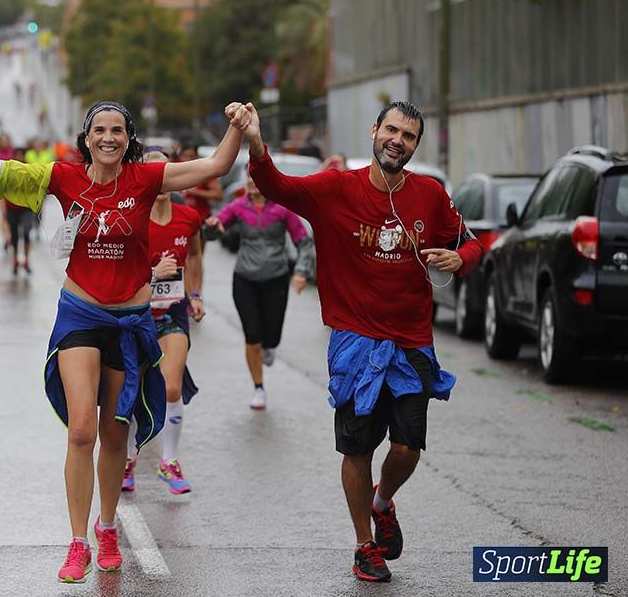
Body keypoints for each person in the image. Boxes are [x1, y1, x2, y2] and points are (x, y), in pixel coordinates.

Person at [0, 75, 252, 584]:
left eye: (118, 130)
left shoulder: (147, 178)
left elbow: (217, 166)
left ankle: (108, 528)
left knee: (116, 435)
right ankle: (77, 543)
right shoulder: (63, 178)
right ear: (87, 137)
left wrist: (237, 128)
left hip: (132, 320)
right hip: (81, 314)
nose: (109, 138)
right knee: (81, 431)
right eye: (100, 130)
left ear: (128, 138)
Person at [245, 100, 484, 582]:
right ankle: (363, 546)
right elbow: (275, 185)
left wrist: (462, 261)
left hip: (412, 340)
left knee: (407, 448)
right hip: (354, 340)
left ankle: (382, 501)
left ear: (415, 145)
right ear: (374, 131)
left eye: (409, 136)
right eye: (391, 129)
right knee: (356, 450)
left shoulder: (431, 195)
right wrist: (254, 141)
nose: (398, 140)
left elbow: (472, 241)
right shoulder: (336, 189)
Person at [122, 151, 205, 496]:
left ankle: (168, 461)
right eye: (153, 173)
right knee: (132, 392)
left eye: (166, 173)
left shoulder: (189, 218)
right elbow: (117, 271)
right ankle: (127, 458)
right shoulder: (130, 219)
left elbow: (196, 256)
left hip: (172, 314)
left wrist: (196, 293)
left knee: (171, 388)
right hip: (135, 315)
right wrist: (153, 275)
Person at [205, 173, 314, 411]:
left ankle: (269, 345)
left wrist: (301, 272)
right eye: (250, 179)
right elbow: (215, 230)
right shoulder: (238, 207)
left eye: (257, 178)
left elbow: (304, 242)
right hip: (245, 278)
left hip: (276, 278)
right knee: (252, 337)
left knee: (271, 337)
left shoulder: (283, 209)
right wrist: (212, 227)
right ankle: (258, 388)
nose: (252, 183)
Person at [5, 148, 37, 274]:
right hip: (11, 208)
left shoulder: (31, 169)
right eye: (16, 156)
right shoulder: (9, 170)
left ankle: (27, 260)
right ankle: (15, 260)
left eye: (21, 156)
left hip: (26, 209)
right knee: (14, 236)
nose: (19, 159)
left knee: (26, 233)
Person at [176, 144, 223, 222]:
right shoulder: (175, 172)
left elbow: (219, 194)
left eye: (191, 156)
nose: (188, 159)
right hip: (181, 220)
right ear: (180, 157)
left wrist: (196, 192)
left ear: (196, 157)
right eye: (185, 156)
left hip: (201, 220)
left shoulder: (204, 173)